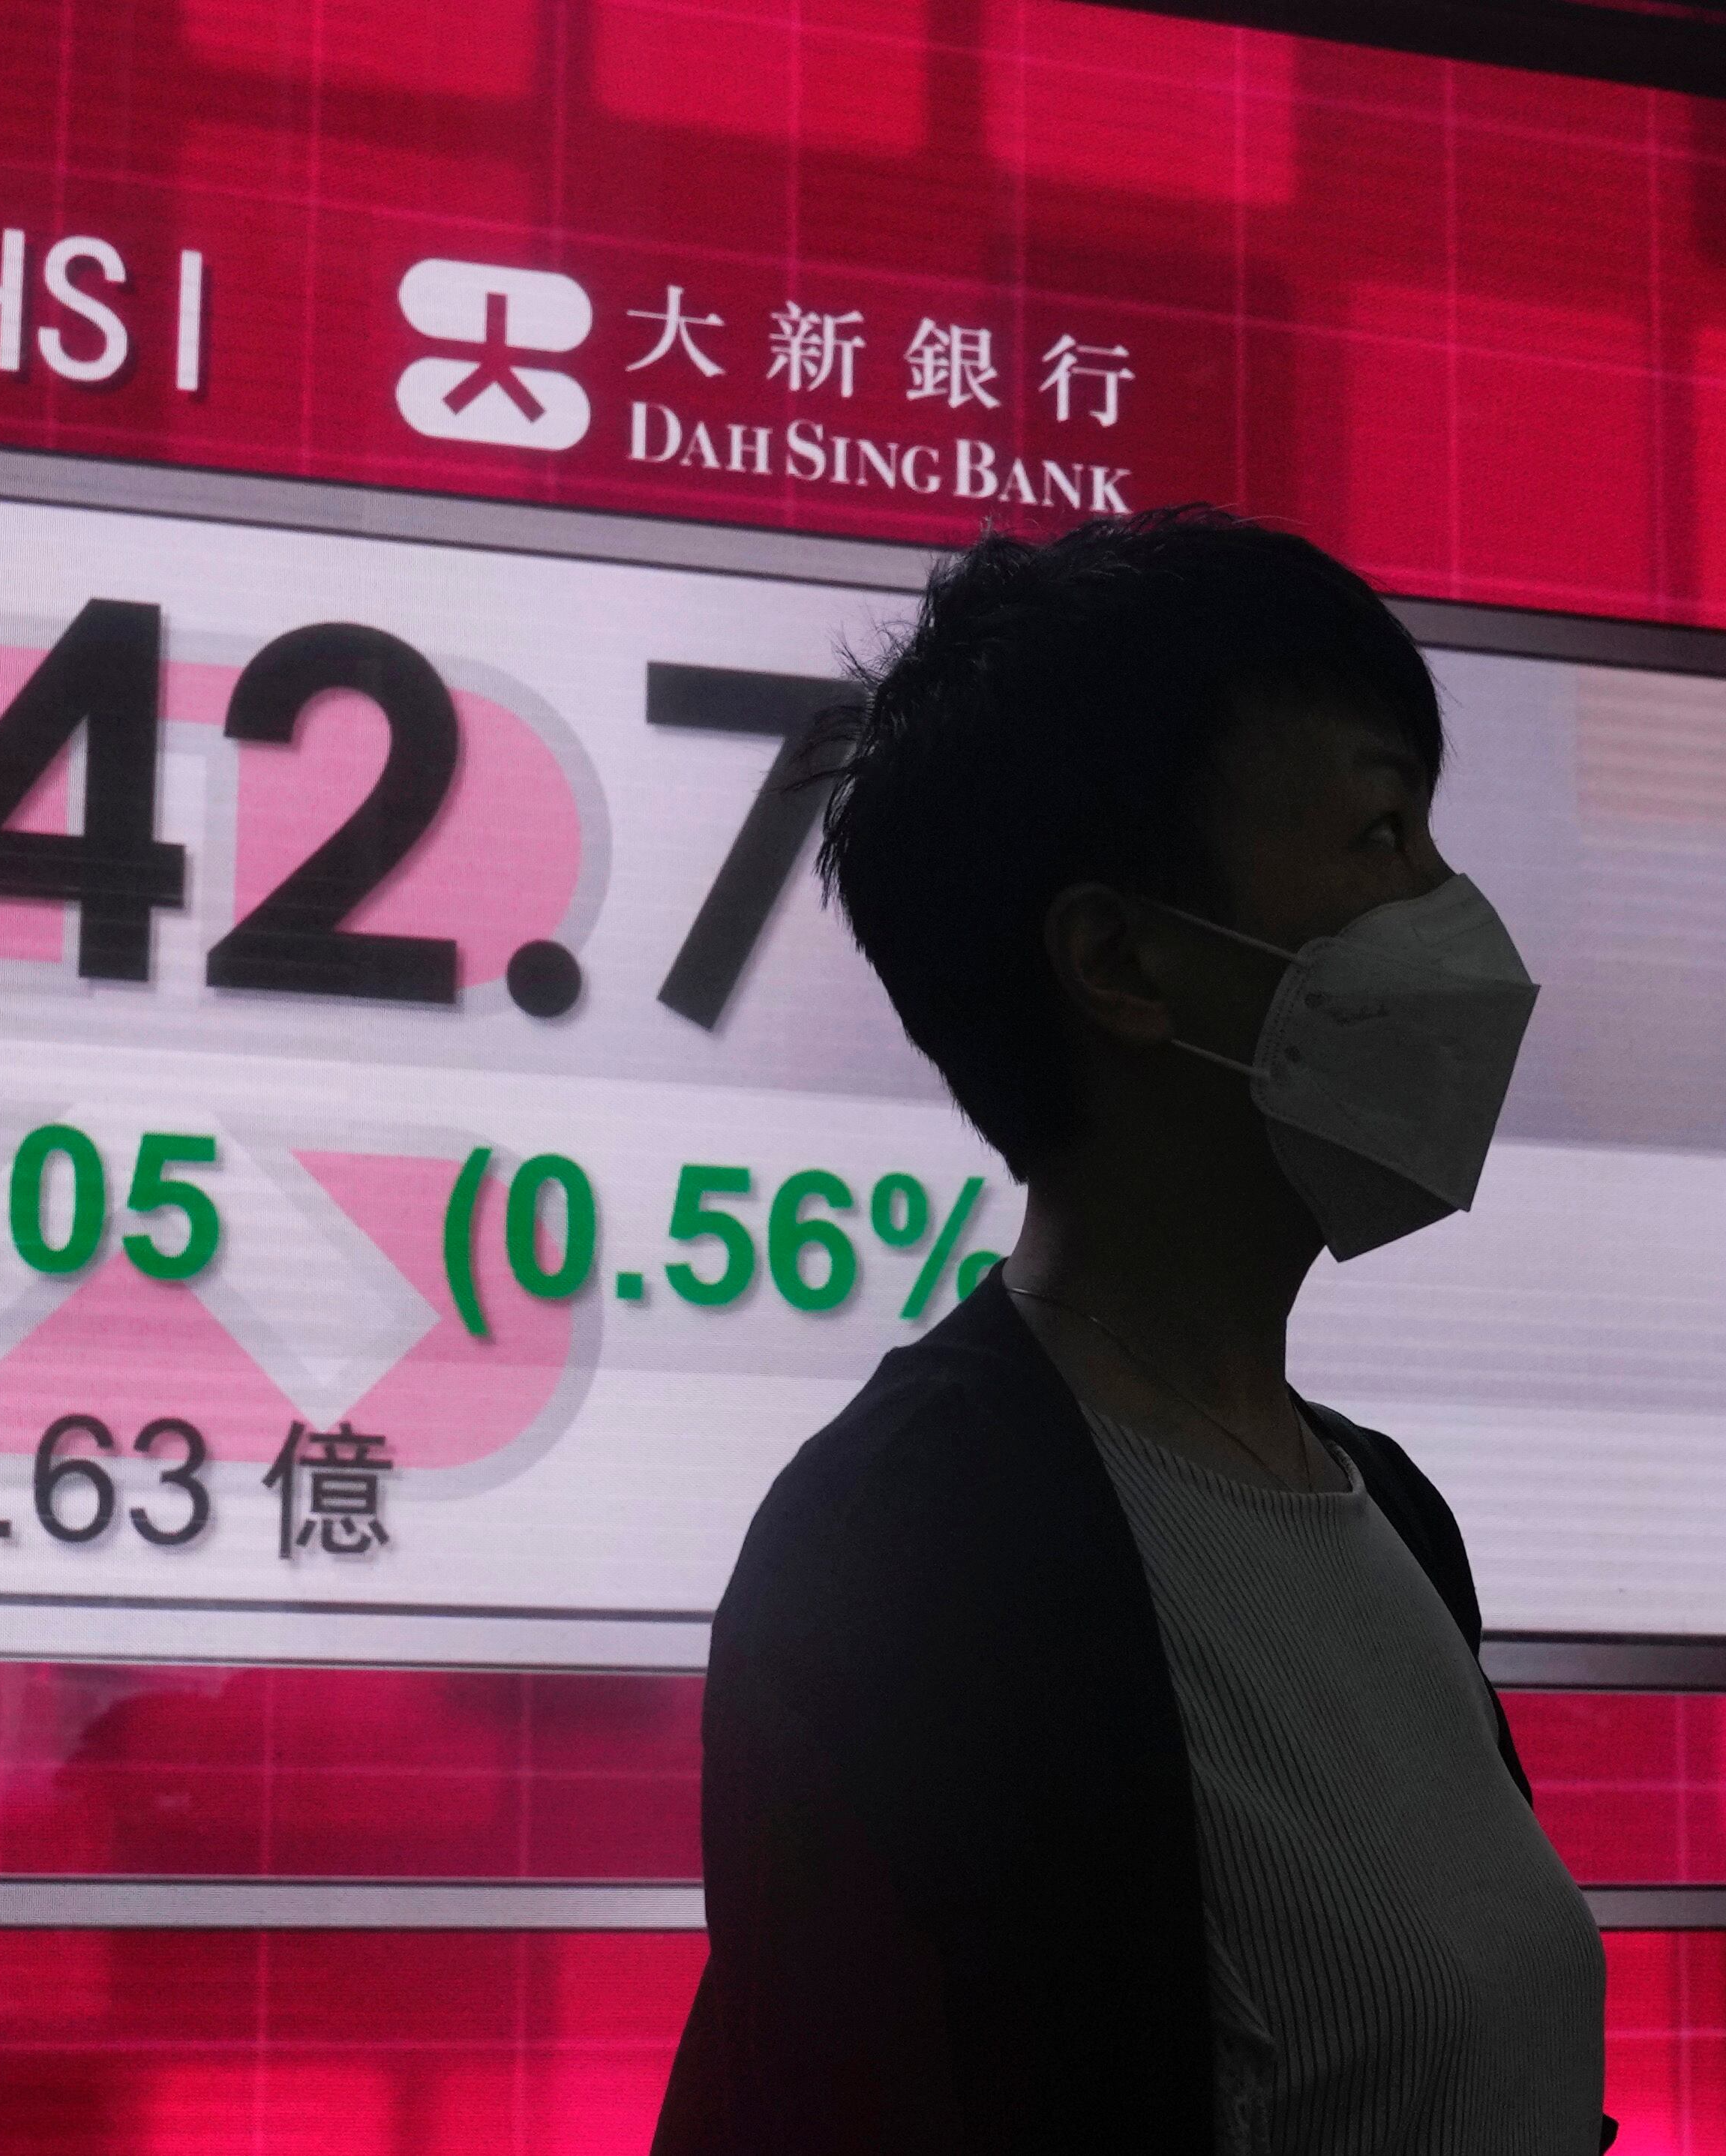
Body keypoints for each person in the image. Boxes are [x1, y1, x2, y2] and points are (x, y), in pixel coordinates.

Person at [652, 508, 1608, 2155]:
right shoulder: (901, 1546)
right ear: (1117, 960)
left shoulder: (1385, 1510)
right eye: (1381, 833)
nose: (1449, 910)